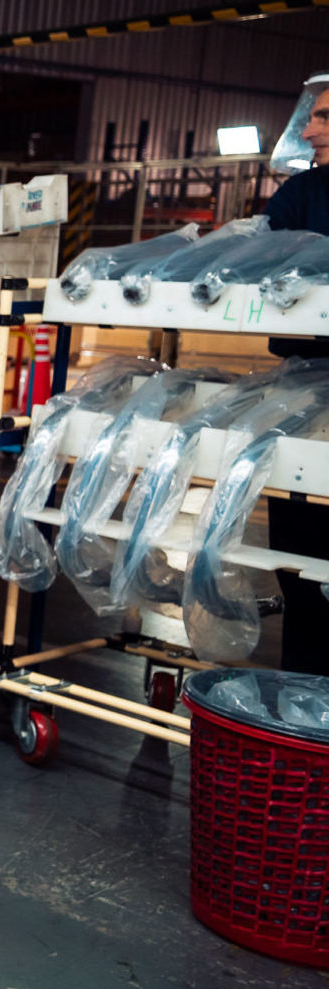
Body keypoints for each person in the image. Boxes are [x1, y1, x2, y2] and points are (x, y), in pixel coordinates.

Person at [254, 88, 329, 679]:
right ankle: (301, 676)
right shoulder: (300, 192)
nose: (309, 130)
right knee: (296, 535)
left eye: (323, 117)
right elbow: (265, 257)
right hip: (301, 376)